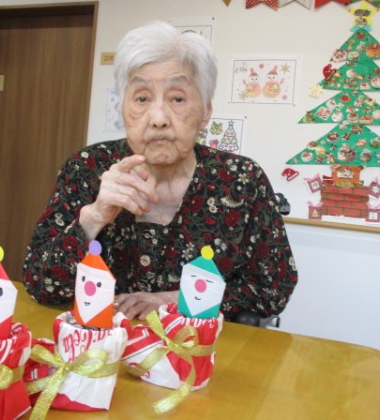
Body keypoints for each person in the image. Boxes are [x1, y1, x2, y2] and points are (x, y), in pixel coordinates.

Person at [22, 21, 297, 322]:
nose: (158, 118)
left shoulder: (242, 181)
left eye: (177, 98)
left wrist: (176, 300)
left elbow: (273, 289)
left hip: (202, 346)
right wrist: (94, 217)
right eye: (142, 98)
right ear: (122, 108)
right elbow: (39, 284)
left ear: (205, 111)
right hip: (102, 343)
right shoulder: (87, 168)